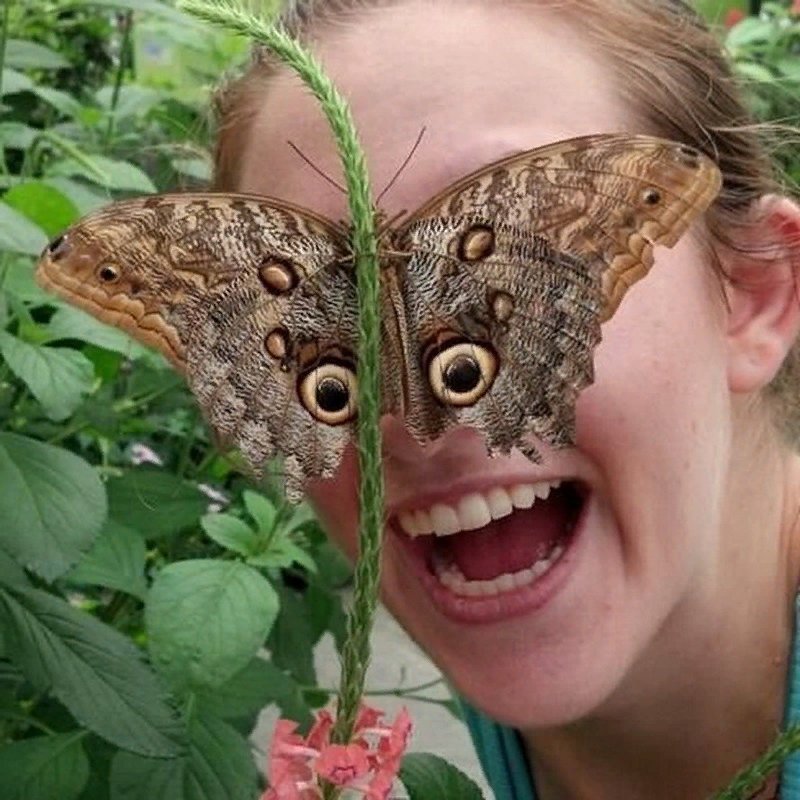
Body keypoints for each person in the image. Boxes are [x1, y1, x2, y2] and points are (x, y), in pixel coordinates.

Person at [212, 1, 800, 797]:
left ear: (754, 294)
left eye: (512, 270)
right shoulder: (514, 590)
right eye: (314, 320)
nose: (407, 414)